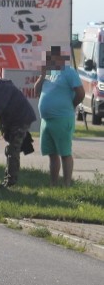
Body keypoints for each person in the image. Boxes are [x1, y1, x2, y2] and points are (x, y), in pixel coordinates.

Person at [34, 45, 85, 186]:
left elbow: (80, 93)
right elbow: (36, 91)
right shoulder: (49, 73)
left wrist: (72, 105)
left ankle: (67, 183)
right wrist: (42, 75)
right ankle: (53, 184)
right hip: (47, 120)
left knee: (64, 152)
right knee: (52, 154)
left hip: (62, 118)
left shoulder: (69, 72)